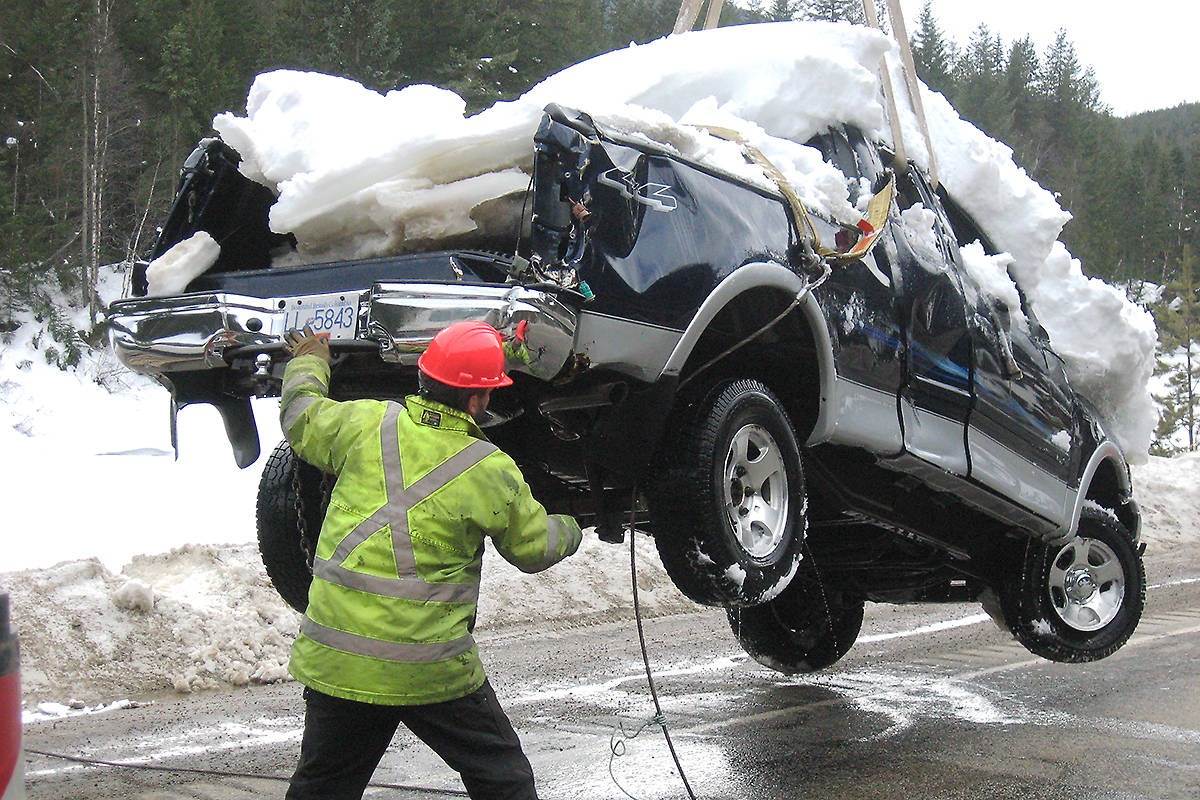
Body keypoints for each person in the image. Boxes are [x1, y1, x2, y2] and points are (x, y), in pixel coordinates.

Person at [280, 320, 582, 800]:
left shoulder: (364, 424)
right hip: (430, 670)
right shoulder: (489, 469)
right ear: (478, 401)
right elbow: (533, 548)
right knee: (502, 779)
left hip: (341, 664)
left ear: (422, 376)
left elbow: (301, 415)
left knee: (324, 789)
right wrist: (571, 525)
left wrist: (309, 360)